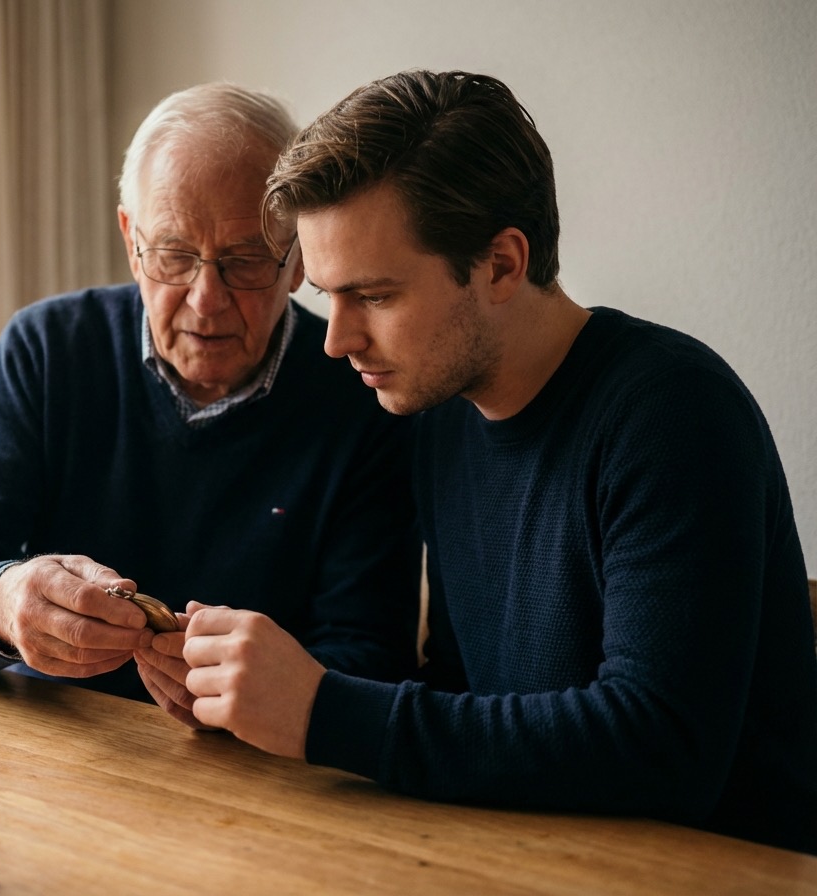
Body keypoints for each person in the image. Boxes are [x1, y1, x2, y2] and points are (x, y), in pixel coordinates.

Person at [169, 70, 817, 853]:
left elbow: (662, 749)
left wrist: (322, 712)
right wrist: (248, 700)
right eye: (327, 298)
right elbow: (461, 688)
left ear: (504, 265)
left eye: (372, 296)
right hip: (526, 858)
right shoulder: (440, 418)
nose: (337, 341)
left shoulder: (674, 413)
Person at [0, 83, 418, 714]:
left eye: (245, 260)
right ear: (130, 240)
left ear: (298, 257)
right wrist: (4, 602)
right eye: (173, 255)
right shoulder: (49, 349)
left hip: (260, 774)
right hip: (59, 752)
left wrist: (257, 695)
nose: (206, 299)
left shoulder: (364, 391)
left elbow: (371, 662)